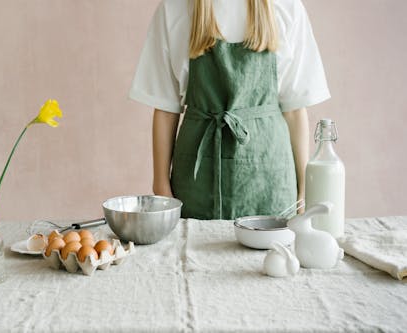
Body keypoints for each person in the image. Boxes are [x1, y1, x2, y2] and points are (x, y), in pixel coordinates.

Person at [129, 0, 330, 220]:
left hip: (271, 184)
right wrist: (161, 188)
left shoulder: (286, 7)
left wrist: (303, 190)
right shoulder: (173, 9)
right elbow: (166, 111)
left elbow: (294, 111)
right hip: (195, 187)